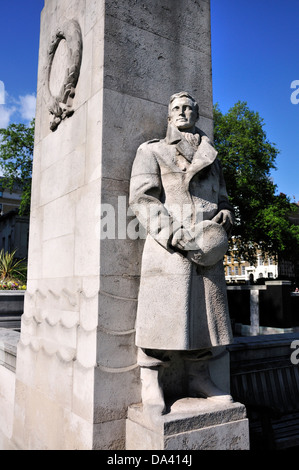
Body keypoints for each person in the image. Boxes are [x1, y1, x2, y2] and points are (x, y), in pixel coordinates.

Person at [129, 92, 235, 418]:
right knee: (161, 317)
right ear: (168, 114)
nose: (182, 112)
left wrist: (227, 215)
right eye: (176, 108)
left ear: (197, 114)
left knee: (205, 317)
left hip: (207, 248)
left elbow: (225, 199)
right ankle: (151, 380)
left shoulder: (212, 156)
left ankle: (200, 378)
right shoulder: (152, 151)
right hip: (169, 248)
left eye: (189, 107)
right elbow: (143, 199)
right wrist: (176, 236)